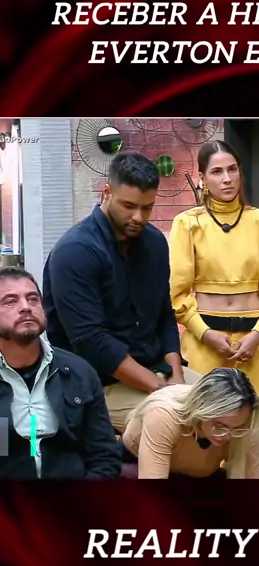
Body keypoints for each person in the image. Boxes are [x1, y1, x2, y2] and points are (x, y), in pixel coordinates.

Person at [43, 151, 200, 434]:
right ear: (107, 192)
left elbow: (164, 315)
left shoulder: (154, 243)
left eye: (147, 208)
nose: (138, 217)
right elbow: (93, 343)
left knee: (240, 404)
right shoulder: (75, 251)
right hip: (96, 384)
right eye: (128, 206)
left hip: (158, 371)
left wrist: (176, 376)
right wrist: (162, 390)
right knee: (181, 420)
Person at [168, 140, 259, 406]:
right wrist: (205, 333)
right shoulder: (187, 223)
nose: (227, 178)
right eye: (217, 172)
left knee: (249, 418)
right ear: (202, 178)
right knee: (204, 418)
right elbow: (176, 293)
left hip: (253, 341)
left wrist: (258, 334)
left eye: (232, 169)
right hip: (204, 340)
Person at [0, 267, 121, 479]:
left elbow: (104, 457)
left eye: (33, 299)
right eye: (10, 301)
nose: (26, 307)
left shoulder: (79, 373)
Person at [122, 367, 259, 479]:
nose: (227, 436)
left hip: (196, 476)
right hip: (137, 467)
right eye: (219, 426)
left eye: (237, 428)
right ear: (201, 410)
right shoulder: (163, 415)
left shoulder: (245, 424)